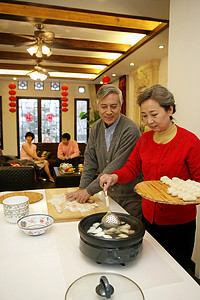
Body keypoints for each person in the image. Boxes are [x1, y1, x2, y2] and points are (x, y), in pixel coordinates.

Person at [100, 84, 200, 271]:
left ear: (170, 109)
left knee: (178, 269)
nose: (149, 121)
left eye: (154, 114)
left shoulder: (190, 142)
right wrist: (114, 176)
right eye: (145, 116)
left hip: (179, 224)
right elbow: (131, 167)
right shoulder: (145, 140)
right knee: (151, 267)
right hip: (147, 216)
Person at [66, 84, 143, 219]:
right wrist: (82, 189)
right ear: (97, 106)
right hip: (109, 195)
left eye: (113, 106)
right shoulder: (96, 128)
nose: (108, 111)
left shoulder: (131, 130)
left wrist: (89, 191)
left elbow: (116, 165)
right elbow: (90, 160)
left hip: (129, 198)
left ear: (121, 106)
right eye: (104, 106)